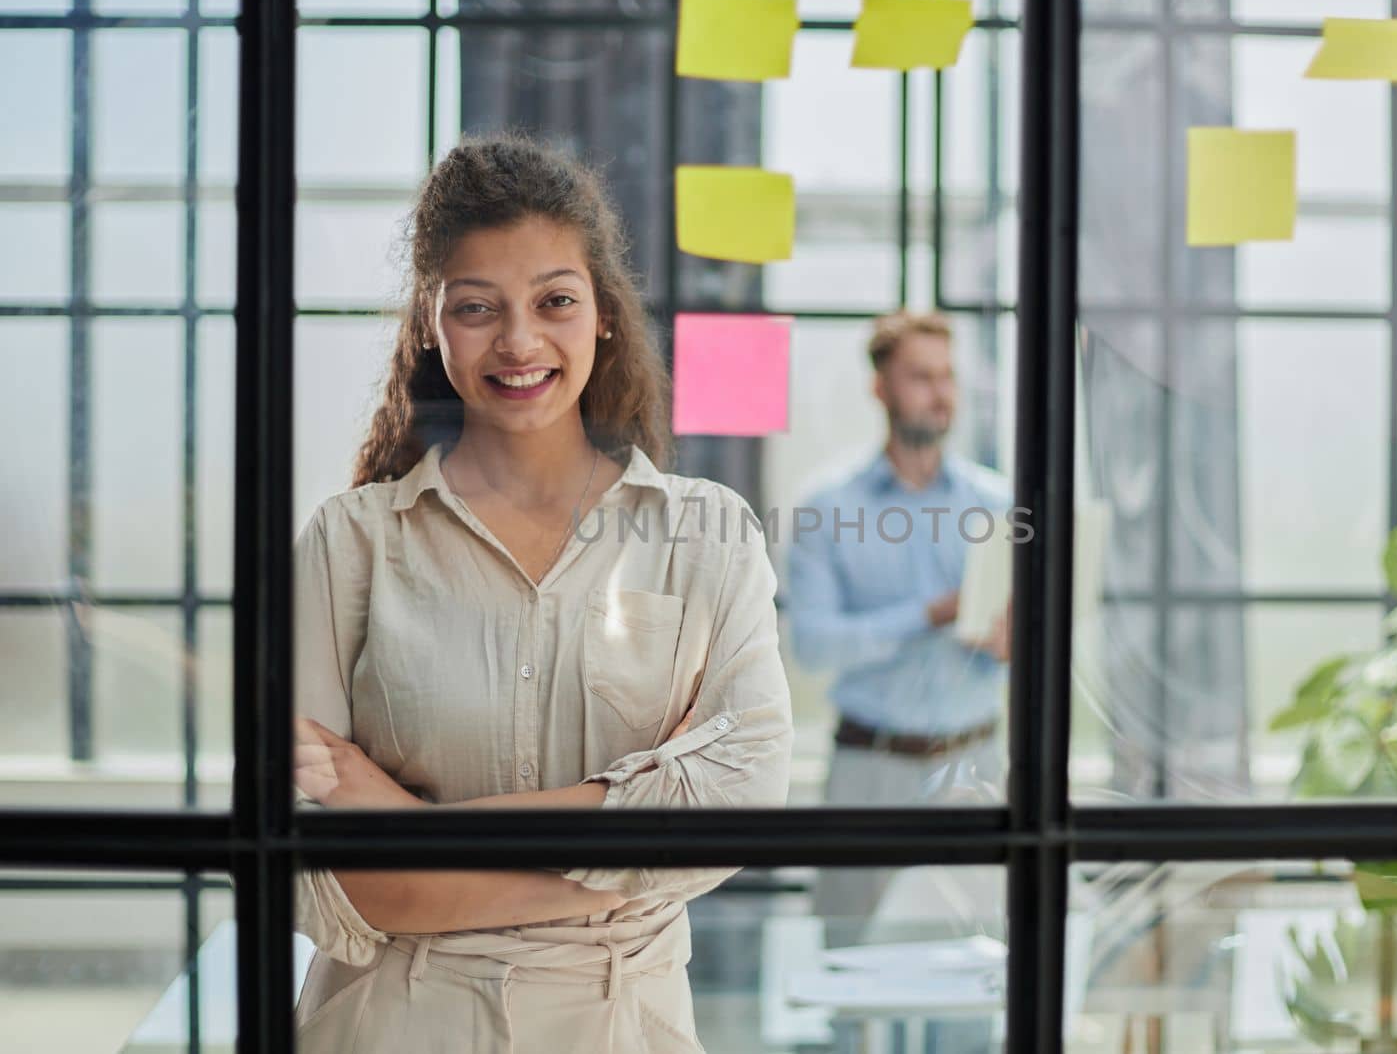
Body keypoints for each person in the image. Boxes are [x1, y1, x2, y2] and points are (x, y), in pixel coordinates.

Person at [289, 133, 793, 1052]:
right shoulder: (350, 541)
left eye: (554, 300)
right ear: (431, 326)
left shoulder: (706, 532)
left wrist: (406, 826)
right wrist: (621, 868)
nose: (519, 341)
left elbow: (738, 801)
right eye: (477, 307)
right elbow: (324, 876)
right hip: (390, 1023)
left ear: (602, 311)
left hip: (620, 1025)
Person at [785, 311, 1011, 944]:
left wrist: (1014, 644)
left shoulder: (996, 504)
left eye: (947, 377)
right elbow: (813, 644)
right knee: (849, 961)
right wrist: (929, 614)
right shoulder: (826, 507)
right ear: (880, 387)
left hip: (974, 768)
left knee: (980, 967)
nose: (939, 394)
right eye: (919, 376)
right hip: (868, 771)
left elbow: (1023, 633)